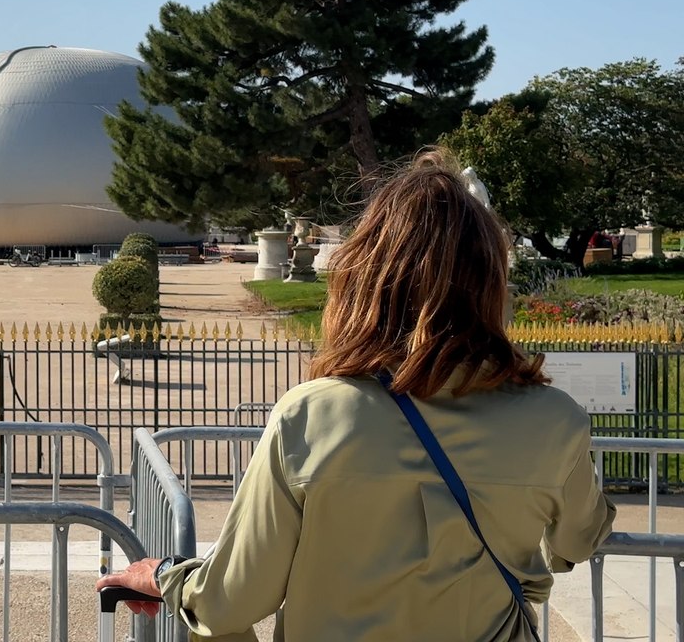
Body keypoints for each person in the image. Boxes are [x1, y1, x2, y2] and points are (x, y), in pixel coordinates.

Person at [97, 150, 616, 641]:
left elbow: (231, 599)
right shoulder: (556, 421)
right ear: (492, 284)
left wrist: (167, 576)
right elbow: (576, 542)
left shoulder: (311, 416)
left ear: (365, 280)